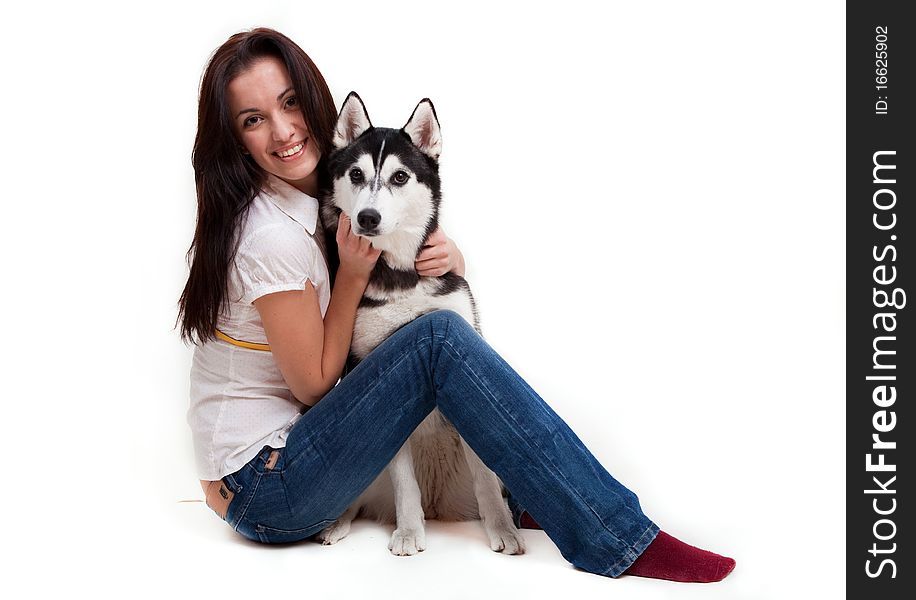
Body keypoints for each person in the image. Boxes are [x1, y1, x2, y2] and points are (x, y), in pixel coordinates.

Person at [178, 27, 736, 583]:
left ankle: (532, 499)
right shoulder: (273, 234)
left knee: (439, 336)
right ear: (234, 139)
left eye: (290, 103)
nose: (282, 130)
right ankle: (617, 537)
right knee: (438, 338)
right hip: (268, 486)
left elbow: (394, 258)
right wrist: (351, 277)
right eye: (253, 120)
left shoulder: (316, 201)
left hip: (280, 469)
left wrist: (444, 256)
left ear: (313, 98)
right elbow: (314, 385)